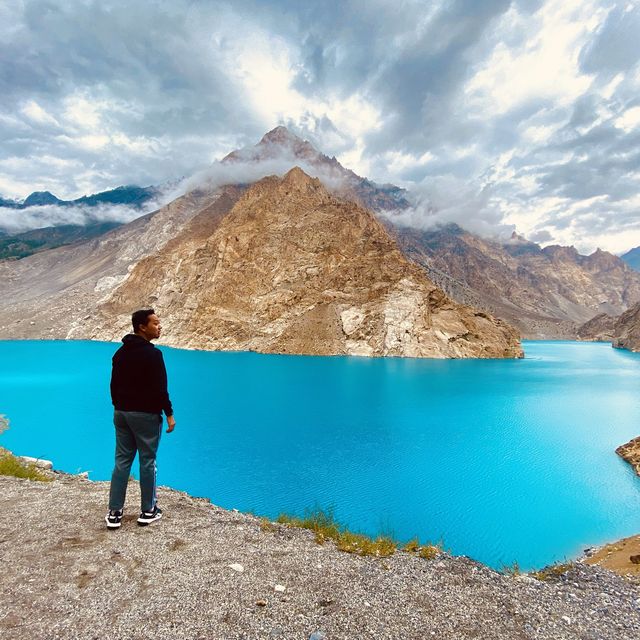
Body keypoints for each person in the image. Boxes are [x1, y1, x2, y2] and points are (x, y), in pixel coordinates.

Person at [105, 309, 176, 529]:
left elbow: (113, 386)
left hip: (121, 414)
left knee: (122, 461)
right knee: (147, 461)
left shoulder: (119, 353)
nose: (159, 326)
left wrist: (120, 407)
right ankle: (148, 510)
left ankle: (115, 513)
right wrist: (169, 413)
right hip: (145, 415)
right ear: (142, 327)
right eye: (155, 323)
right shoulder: (153, 354)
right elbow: (160, 388)